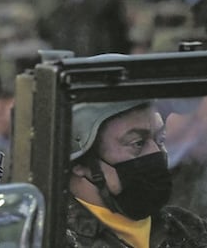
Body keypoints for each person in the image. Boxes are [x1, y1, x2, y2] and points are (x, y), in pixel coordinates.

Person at [66, 99, 207, 246]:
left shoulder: (188, 228)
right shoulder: (52, 236)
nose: (157, 153)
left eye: (160, 139)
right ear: (81, 164)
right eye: (138, 143)